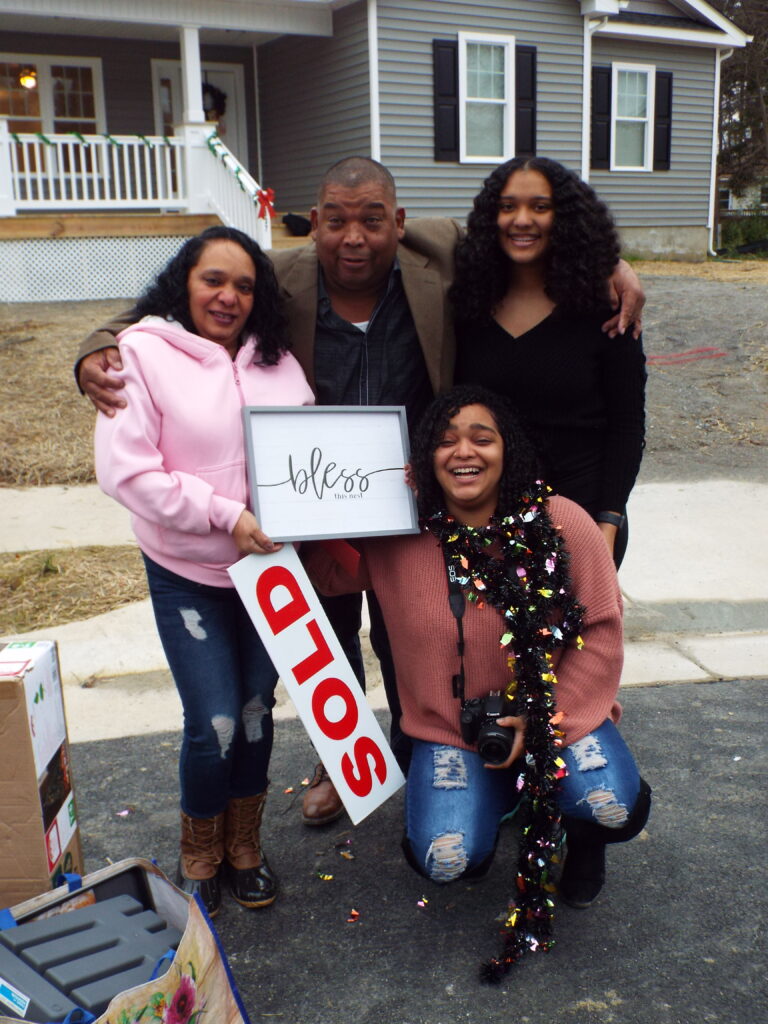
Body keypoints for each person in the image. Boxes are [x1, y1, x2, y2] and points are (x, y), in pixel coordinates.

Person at [76, 156, 646, 824]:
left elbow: (531, 237)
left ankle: (430, 748)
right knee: (329, 633)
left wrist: (614, 264)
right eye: (337, 220)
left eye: (373, 220)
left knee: (423, 631)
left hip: (420, 497)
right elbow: (181, 303)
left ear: (399, 225)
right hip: (319, 498)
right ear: (314, 224)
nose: (355, 236)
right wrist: (99, 344)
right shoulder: (281, 280)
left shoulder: (441, 264)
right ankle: (338, 760)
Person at [303, 385, 651, 979]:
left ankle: (566, 827)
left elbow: (600, 628)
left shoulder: (561, 521)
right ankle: (500, 797)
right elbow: (328, 571)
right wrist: (281, 521)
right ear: (424, 460)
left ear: (506, 449)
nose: (463, 451)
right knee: (446, 858)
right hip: (451, 730)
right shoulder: (395, 533)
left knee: (614, 806)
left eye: (480, 437)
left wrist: (545, 718)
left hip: (553, 717)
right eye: (444, 440)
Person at [93, 226, 315, 916]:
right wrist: (225, 515)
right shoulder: (141, 354)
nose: (228, 296)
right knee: (213, 720)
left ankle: (243, 848)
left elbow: (311, 448)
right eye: (213, 280)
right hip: (187, 570)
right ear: (183, 283)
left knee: (254, 713)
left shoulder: (279, 363)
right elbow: (126, 472)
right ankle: (199, 853)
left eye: (245, 286)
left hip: (270, 576)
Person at [452, 157, 646, 568]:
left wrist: (607, 523)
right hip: (488, 522)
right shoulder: (467, 303)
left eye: (540, 207)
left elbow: (627, 427)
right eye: (508, 207)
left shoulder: (606, 307)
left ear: (566, 218)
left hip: (582, 519)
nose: (522, 220)